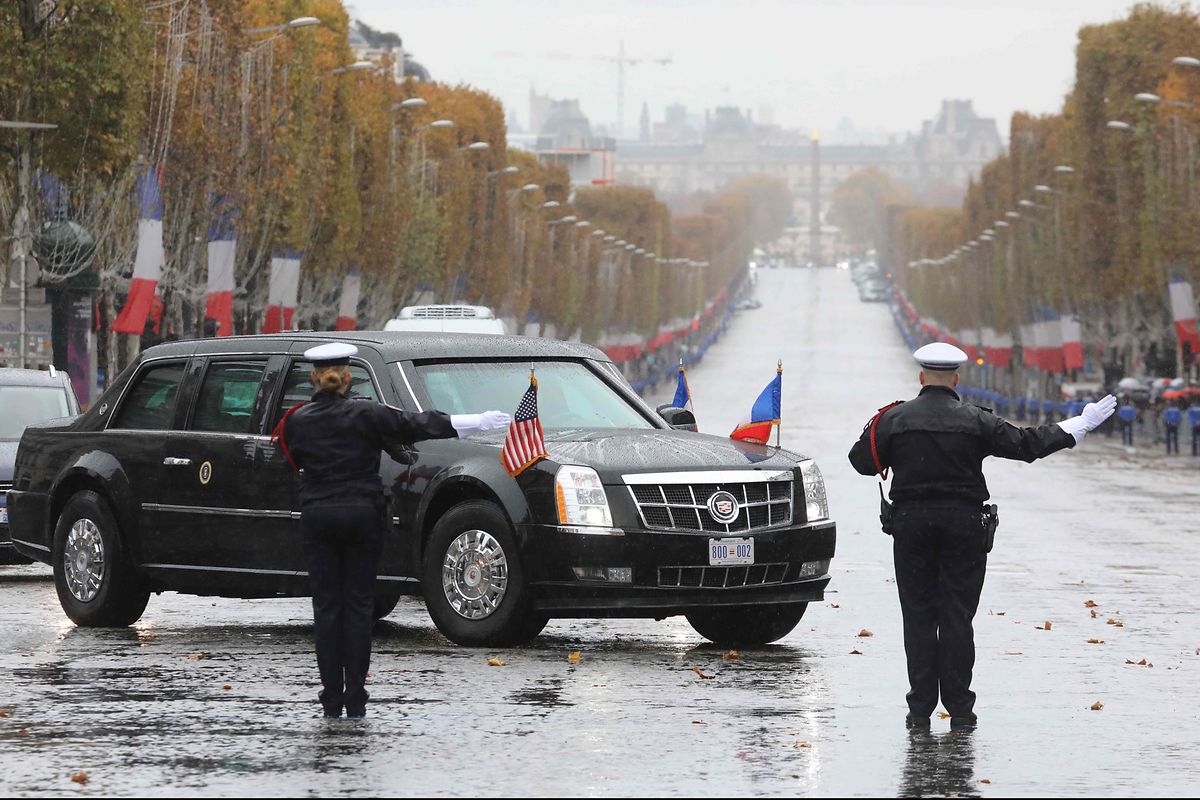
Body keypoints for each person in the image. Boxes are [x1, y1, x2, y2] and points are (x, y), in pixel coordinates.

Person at [848, 342, 1115, 731]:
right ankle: (960, 709)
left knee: (919, 617)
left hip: (912, 526)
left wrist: (888, 437)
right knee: (958, 617)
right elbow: (1028, 445)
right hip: (963, 527)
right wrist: (1079, 425)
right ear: (956, 379)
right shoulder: (976, 420)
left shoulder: (894, 419)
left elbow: (861, 462)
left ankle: (919, 709)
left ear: (921, 378)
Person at [277, 342, 510, 720]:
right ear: (347, 377)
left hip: (318, 518)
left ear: (314, 378)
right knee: (357, 607)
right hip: (362, 517)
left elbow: (292, 461)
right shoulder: (369, 414)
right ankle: (356, 698)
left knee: (326, 608)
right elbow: (419, 425)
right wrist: (478, 420)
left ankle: (330, 699)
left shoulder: (296, 421)